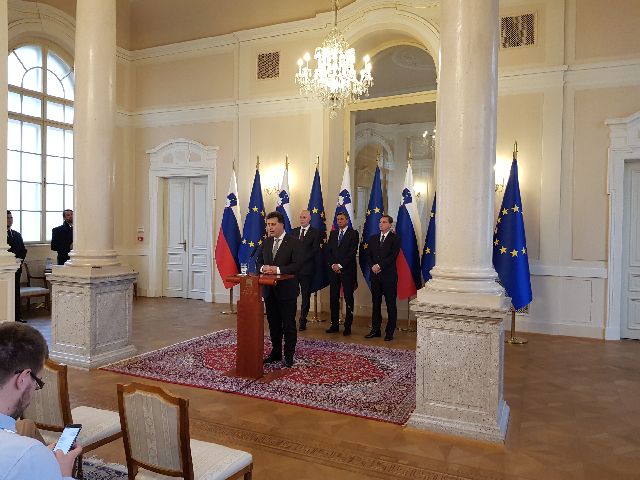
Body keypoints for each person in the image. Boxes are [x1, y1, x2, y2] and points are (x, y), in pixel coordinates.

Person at [0, 322, 82, 479]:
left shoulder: (31, 453)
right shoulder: (28, 454)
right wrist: (63, 474)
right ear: (23, 379)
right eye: (37, 382)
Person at [256, 211, 302, 368]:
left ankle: (289, 355)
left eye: (273, 224)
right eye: (268, 224)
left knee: (288, 325)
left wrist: (276, 270)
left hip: (287, 291)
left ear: (282, 225)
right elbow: (258, 262)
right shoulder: (266, 242)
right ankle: (276, 353)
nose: (270, 227)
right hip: (269, 291)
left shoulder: (294, 242)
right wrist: (263, 268)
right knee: (274, 324)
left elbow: (297, 265)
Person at [365, 215, 401, 341]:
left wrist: (379, 265)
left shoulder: (395, 238)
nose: (381, 224)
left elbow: (393, 256)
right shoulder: (373, 238)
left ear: (390, 224)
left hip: (389, 277)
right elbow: (368, 255)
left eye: (384, 222)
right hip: (375, 276)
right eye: (380, 222)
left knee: (391, 305)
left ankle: (389, 332)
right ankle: (376, 330)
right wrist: (373, 266)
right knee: (376, 304)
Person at [325, 211, 359, 336]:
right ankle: (334, 325)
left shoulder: (353, 233)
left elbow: (352, 252)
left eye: (342, 219)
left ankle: (347, 326)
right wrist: (333, 265)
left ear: (347, 220)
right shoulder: (333, 233)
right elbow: (328, 251)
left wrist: (340, 265)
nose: (339, 221)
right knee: (333, 298)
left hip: (347, 271)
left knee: (348, 298)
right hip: (333, 271)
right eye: (338, 219)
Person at [290, 210, 320, 331]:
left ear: (309, 219)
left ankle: (303, 320)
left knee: (305, 296)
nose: (302, 219)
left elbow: (315, 251)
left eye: (304, 217)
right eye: (301, 217)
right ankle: (291, 319)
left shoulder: (315, 233)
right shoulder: (294, 231)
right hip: (294, 270)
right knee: (292, 294)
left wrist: (300, 261)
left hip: (306, 269)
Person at [7, 211, 27, 323]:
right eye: (7, 218)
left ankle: (17, 316)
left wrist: (19, 259)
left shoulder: (17, 234)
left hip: (17, 268)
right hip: (5, 269)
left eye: (11, 218)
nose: (10, 220)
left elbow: (23, 250)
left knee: (15, 292)